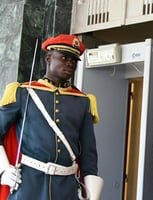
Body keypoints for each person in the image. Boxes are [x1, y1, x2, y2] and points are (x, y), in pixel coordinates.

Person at [0, 34, 103, 200]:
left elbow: (88, 153)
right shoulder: (23, 92)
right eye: (64, 57)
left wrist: (91, 193)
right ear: (48, 58)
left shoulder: (84, 101)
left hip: (67, 187)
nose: (70, 63)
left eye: (74, 60)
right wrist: (4, 171)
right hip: (28, 183)